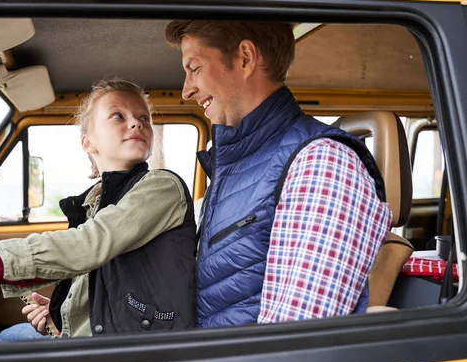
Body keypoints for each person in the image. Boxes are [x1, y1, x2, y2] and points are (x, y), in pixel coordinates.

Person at [0, 78, 197, 339]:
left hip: (136, 350)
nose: (136, 123)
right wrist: (59, 312)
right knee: (9, 338)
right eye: (118, 115)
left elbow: (87, 247)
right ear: (88, 143)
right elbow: (98, 276)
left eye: (144, 118)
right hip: (104, 334)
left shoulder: (160, 186)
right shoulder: (95, 200)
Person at [165, 21, 392, 328]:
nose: (186, 89)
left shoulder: (321, 163)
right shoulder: (234, 165)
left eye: (195, 68)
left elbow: (297, 341)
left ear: (245, 58)